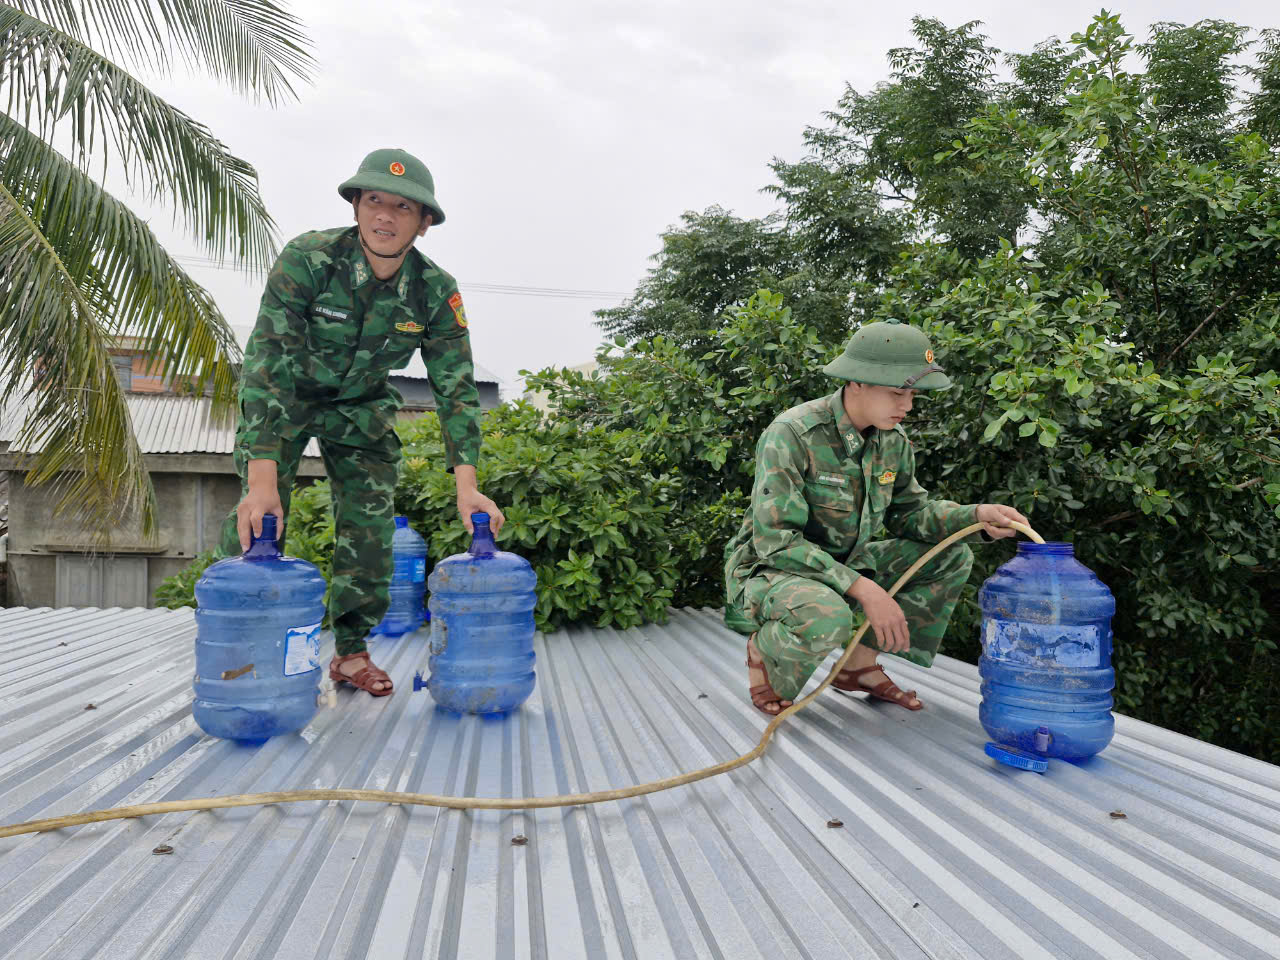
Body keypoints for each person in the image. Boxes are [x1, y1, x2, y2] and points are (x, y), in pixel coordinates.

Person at [221, 148, 504, 697]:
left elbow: (456, 388)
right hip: (288, 397)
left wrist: (467, 485)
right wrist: (262, 479)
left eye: (403, 207)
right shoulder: (310, 258)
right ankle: (240, 651)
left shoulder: (434, 291)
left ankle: (350, 654)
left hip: (361, 403)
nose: (385, 216)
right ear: (356, 206)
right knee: (256, 517)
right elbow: (268, 359)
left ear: (424, 224)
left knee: (370, 532)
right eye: (374, 200)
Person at [723, 320, 1028, 715]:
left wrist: (977, 516)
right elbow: (776, 541)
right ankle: (762, 653)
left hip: (844, 569)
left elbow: (911, 513)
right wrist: (866, 590)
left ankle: (857, 666)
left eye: (912, 394)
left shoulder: (892, 441)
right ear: (857, 382)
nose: (908, 406)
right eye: (898, 393)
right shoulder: (794, 433)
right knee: (827, 616)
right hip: (771, 572)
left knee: (951, 555)